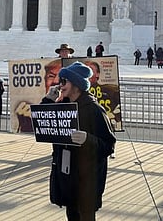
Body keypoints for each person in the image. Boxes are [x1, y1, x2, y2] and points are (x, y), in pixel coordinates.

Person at [42, 61, 116, 220]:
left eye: (64, 81)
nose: (60, 85)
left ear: (76, 84)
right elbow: (42, 126)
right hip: (68, 177)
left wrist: (88, 139)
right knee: (72, 215)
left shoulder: (94, 109)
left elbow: (109, 145)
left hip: (87, 181)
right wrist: (48, 100)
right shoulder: (64, 106)